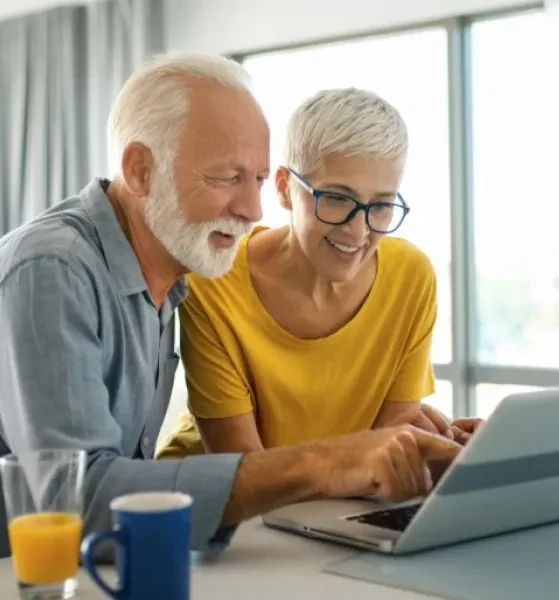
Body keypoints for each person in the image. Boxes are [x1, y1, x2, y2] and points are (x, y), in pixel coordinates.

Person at [0, 54, 461, 592]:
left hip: (67, 578)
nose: (250, 210)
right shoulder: (51, 270)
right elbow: (81, 496)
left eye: (252, 180)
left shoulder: (173, 278)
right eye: (225, 178)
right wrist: (328, 462)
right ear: (139, 170)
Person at [156, 87, 481, 462]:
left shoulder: (411, 277)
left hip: (328, 507)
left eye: (381, 205)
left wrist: (446, 446)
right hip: (211, 508)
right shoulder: (214, 279)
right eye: (337, 198)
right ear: (283, 188)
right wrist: (375, 454)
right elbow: (242, 473)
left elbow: (385, 455)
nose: (358, 232)